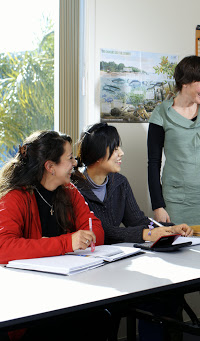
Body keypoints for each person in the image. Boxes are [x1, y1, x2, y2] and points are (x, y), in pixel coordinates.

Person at [0, 130, 109, 340]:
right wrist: (67, 242)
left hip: (67, 289)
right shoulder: (15, 197)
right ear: (50, 167)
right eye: (69, 159)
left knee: (102, 317)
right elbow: (3, 248)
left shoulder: (69, 191)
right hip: (29, 299)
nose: (75, 163)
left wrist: (83, 237)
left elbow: (95, 229)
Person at [147, 55, 200, 228]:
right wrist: (158, 205)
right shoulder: (161, 114)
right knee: (176, 250)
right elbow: (153, 163)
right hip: (176, 201)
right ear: (185, 82)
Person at [73, 122, 193, 245]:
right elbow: (103, 231)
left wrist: (170, 229)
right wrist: (147, 234)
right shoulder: (74, 188)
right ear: (97, 154)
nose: (121, 153)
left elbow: (137, 221)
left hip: (113, 255)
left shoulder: (120, 183)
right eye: (115, 149)